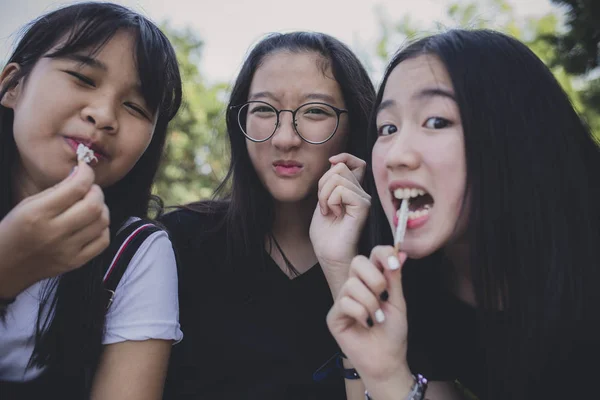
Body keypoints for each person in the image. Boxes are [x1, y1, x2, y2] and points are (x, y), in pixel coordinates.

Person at [327, 29, 600, 400]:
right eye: (387, 128)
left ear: (515, 133)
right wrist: (387, 372)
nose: (394, 155)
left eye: (436, 122)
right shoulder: (414, 284)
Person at [161, 31, 375, 399]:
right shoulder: (177, 243)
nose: (285, 138)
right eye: (264, 110)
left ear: (354, 124)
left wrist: (342, 268)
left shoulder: (389, 259)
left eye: (315, 111)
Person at [0, 3, 184, 398]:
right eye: (83, 78)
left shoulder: (136, 253)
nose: (104, 116)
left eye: (135, 107)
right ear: (12, 85)